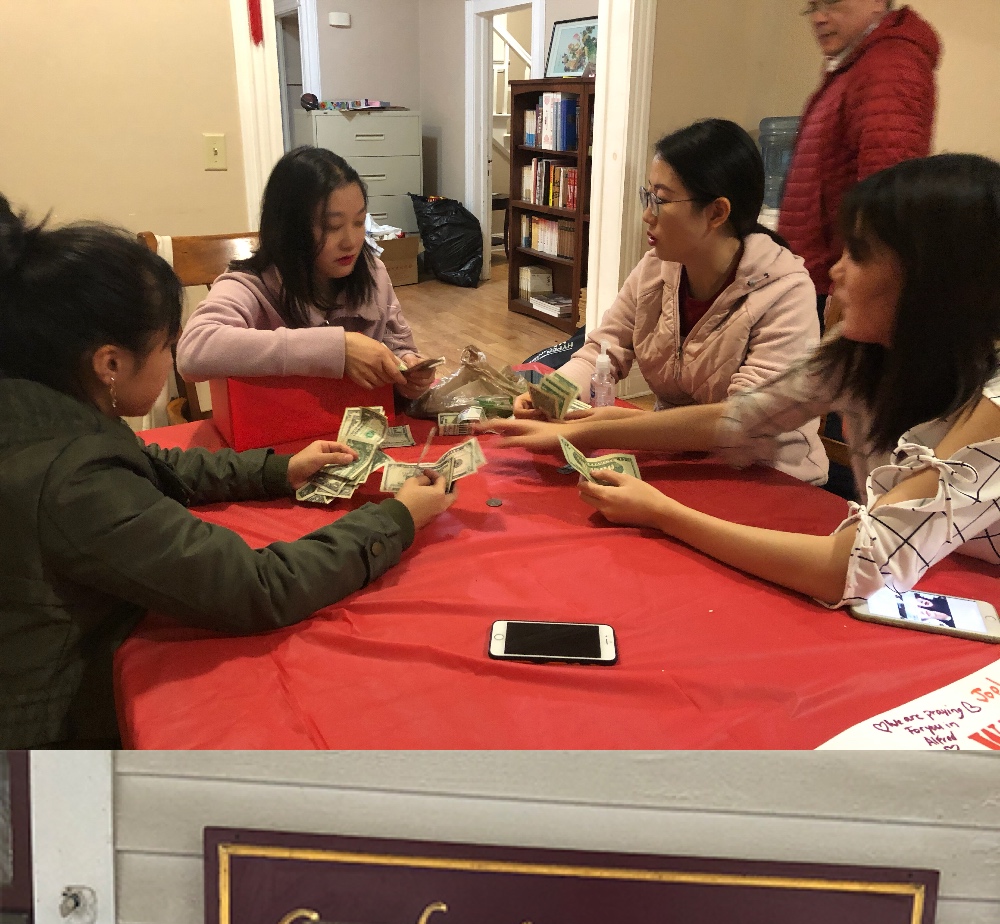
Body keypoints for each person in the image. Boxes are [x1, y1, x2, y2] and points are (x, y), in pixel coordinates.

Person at [0, 204, 454, 749]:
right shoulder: (75, 480)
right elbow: (255, 587)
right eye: (166, 345)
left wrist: (280, 469)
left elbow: (154, 462)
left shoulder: (44, 405)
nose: (172, 358)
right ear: (110, 364)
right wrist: (397, 518)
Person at [492, 155, 1000, 610]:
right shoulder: (859, 354)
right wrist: (584, 429)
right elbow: (740, 417)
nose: (836, 270)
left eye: (860, 255)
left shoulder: (991, 404)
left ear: (935, 282)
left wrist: (664, 514)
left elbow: (850, 568)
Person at [515, 119, 827, 485]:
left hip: (769, 477)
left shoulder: (785, 292)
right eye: (647, 197)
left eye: (660, 200)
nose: (647, 214)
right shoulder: (657, 268)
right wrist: (550, 396)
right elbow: (602, 350)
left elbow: (741, 421)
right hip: (680, 459)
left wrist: (596, 429)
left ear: (717, 212)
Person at [177, 147, 432, 397]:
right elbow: (193, 351)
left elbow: (398, 346)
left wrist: (408, 371)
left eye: (359, 222)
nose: (351, 242)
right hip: (280, 422)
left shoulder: (373, 273)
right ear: (290, 229)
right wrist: (338, 348)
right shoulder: (250, 285)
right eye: (332, 226)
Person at [778, 1, 940, 314]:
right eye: (812, 6)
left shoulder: (890, 65)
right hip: (817, 279)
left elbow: (887, 196)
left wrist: (849, 293)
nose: (819, 18)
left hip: (836, 287)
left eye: (832, 2)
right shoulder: (857, 64)